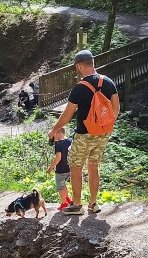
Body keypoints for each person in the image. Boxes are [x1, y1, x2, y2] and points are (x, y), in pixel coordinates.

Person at [47, 50, 120, 215]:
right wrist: (104, 126)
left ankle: (77, 205)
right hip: (103, 133)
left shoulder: (80, 88)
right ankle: (93, 204)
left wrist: (54, 130)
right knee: (93, 166)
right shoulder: (108, 82)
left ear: (79, 66)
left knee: (75, 166)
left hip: (84, 134)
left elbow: (67, 115)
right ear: (92, 63)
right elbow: (116, 109)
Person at [46, 127, 73, 211]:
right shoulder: (71, 140)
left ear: (57, 133)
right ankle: (68, 199)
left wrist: (50, 168)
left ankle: (64, 203)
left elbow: (58, 157)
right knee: (64, 185)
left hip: (61, 169)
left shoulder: (58, 143)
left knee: (61, 187)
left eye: (52, 136)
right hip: (70, 167)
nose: (52, 139)